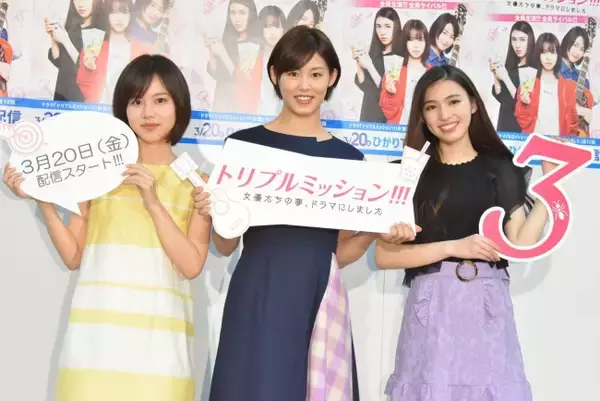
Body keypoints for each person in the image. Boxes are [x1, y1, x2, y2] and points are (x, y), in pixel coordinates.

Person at [194, 25, 414, 401]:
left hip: (319, 293)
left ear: (333, 78)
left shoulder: (348, 158)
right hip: (258, 290)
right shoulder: (244, 146)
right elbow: (225, 243)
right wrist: (215, 209)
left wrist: (376, 228)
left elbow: (340, 251)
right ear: (275, 75)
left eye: (315, 74)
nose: (304, 86)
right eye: (293, 73)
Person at [3, 54, 210, 400]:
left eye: (160, 101)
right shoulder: (97, 171)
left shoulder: (198, 183)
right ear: (123, 109)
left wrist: (153, 202)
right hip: (94, 348)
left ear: (179, 105)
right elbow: (74, 256)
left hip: (161, 353)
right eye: (136, 101)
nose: (148, 113)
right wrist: (43, 199)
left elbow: (191, 265)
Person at [376, 65, 555, 400]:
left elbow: (520, 243)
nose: (445, 115)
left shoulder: (502, 169)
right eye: (432, 107)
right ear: (422, 116)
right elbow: (384, 256)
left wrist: (551, 187)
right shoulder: (407, 174)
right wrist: (454, 247)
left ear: (473, 104)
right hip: (431, 304)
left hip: (487, 303)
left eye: (454, 101)